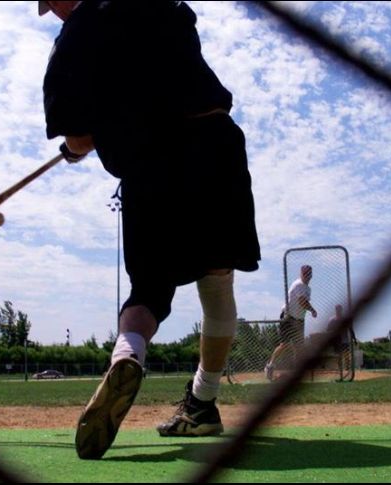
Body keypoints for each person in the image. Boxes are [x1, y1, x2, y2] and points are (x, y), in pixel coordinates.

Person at [39, 1, 260, 459]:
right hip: (215, 146)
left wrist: (76, 147)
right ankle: (202, 403)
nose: (55, 14)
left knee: (148, 290)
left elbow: (80, 137)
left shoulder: (72, 43)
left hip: (151, 166)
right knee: (217, 280)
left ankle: (127, 355)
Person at [265, 265, 317, 381]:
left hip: (299, 320)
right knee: (285, 344)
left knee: (299, 347)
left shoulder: (308, 289)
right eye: (305, 273)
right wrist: (312, 310)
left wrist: (309, 311)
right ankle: (270, 365)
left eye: (309, 274)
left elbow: (304, 304)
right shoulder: (298, 285)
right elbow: (302, 302)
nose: (307, 276)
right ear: (301, 274)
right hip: (288, 317)